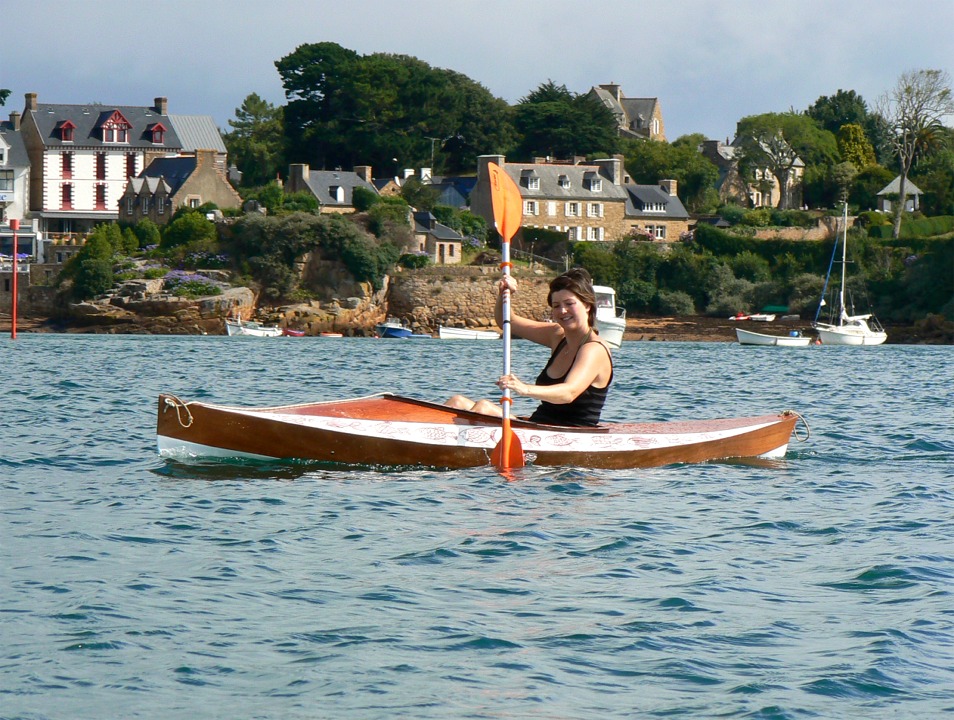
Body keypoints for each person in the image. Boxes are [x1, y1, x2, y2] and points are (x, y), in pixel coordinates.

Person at [446, 268, 614, 427]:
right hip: (537, 425)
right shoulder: (557, 335)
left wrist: (524, 388)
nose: (562, 311)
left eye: (569, 304)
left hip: (568, 435)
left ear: (587, 305)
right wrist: (504, 293)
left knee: (483, 407)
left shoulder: (594, 349)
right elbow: (507, 321)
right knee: (457, 402)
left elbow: (569, 393)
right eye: (556, 306)